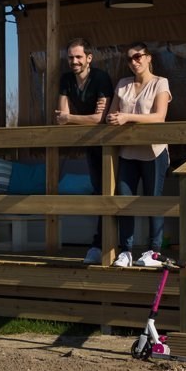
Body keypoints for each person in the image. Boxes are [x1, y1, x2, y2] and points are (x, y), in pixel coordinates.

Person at [106, 42, 173, 268]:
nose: (134, 62)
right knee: (124, 201)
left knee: (153, 200)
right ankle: (126, 251)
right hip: (127, 152)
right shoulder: (123, 84)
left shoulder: (160, 82)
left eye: (138, 57)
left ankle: (154, 252)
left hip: (154, 151)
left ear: (148, 57)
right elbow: (112, 114)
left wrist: (127, 118)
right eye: (129, 59)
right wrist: (115, 118)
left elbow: (159, 116)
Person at [54, 37, 114, 265]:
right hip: (90, 143)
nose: (74, 61)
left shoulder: (100, 78)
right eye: (70, 57)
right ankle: (99, 245)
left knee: (109, 192)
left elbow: (100, 118)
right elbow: (61, 118)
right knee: (98, 191)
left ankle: (107, 244)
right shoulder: (66, 79)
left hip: (107, 144)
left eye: (79, 56)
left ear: (89, 58)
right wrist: (76, 118)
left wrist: (71, 117)